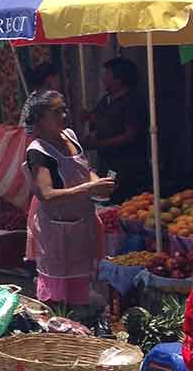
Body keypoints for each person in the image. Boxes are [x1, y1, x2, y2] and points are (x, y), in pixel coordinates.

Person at [23, 91, 115, 307]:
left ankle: (80, 330)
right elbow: (46, 194)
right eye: (56, 112)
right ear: (40, 118)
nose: (64, 115)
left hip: (82, 222)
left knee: (82, 283)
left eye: (64, 109)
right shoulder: (38, 151)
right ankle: (62, 332)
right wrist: (90, 187)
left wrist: (97, 184)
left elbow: (84, 168)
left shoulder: (70, 136)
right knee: (60, 293)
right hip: (57, 229)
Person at [85, 57, 149, 201]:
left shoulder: (133, 101)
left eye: (107, 74)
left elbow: (130, 135)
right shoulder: (107, 99)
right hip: (108, 164)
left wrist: (99, 144)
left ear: (119, 79)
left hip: (128, 167)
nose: (103, 78)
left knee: (126, 204)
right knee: (107, 199)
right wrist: (89, 119)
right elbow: (98, 119)